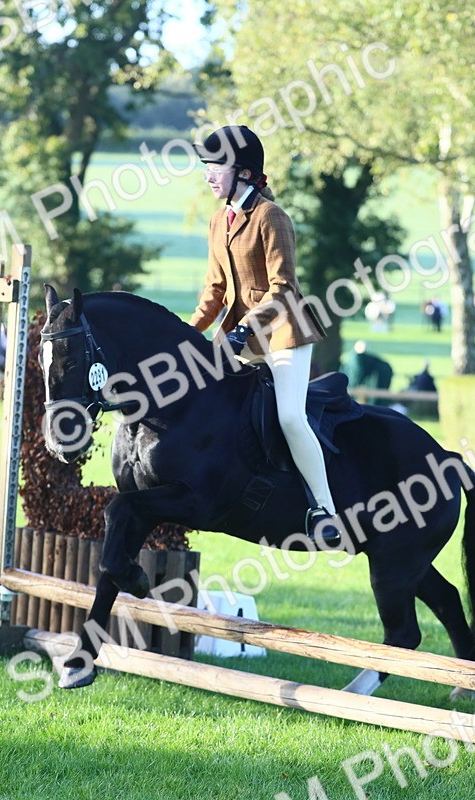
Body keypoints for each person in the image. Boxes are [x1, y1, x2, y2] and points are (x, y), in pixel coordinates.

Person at [190, 125, 341, 547]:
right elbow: (214, 290)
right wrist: (186, 334)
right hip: (239, 336)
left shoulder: (271, 217)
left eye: (215, 165)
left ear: (243, 171)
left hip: (283, 333)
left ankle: (324, 509)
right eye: (206, 166)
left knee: (290, 415)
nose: (208, 175)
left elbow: (283, 288)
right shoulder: (219, 220)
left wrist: (241, 332)